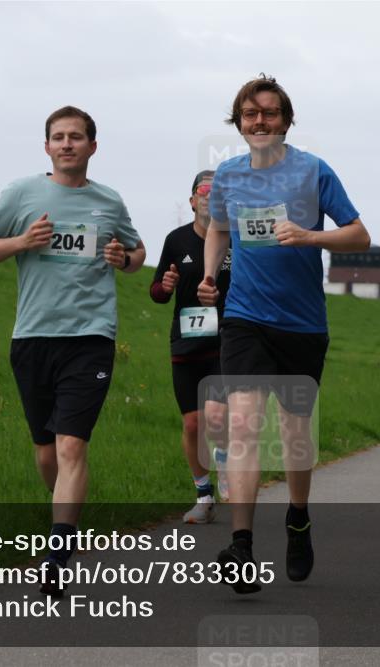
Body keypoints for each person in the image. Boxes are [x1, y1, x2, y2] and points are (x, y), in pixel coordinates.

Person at [198, 74, 371, 594]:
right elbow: (219, 230)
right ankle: (243, 546)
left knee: (295, 437)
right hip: (245, 318)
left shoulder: (313, 171)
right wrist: (211, 276)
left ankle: (298, 517)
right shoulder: (228, 175)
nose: (259, 122)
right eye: (250, 114)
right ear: (239, 122)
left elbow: (359, 234)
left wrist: (311, 235)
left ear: (286, 120)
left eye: (269, 113)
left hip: (301, 324)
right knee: (246, 426)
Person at [0, 106, 145, 596]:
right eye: (58, 137)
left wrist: (124, 258)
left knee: (72, 445)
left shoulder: (108, 202)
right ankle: (65, 515)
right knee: (46, 452)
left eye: (76, 137)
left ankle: (57, 552)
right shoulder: (21, 194)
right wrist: (22, 241)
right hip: (32, 336)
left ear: (93, 147)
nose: (67, 144)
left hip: (91, 337)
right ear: (47, 147)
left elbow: (136, 254)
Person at [151, 170, 231, 523]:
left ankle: (227, 468)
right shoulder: (176, 240)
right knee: (193, 423)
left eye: (218, 192)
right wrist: (165, 286)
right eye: (204, 191)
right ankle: (203, 493)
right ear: (192, 200)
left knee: (216, 415)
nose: (209, 197)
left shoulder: (233, 239)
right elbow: (156, 292)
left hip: (225, 341)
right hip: (185, 341)